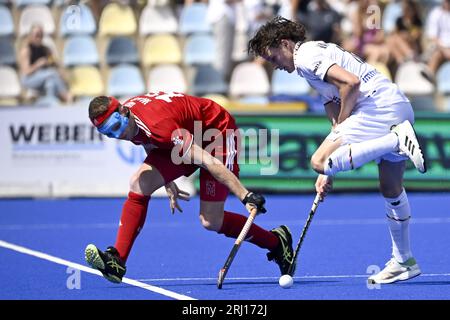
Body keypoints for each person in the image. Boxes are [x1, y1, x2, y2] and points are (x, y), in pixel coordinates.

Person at [248, 17, 427, 284]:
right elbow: (335, 114)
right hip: (396, 105)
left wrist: (328, 160)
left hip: (377, 106)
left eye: (273, 57)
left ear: (284, 43)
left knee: (317, 160)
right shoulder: (311, 61)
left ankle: (395, 141)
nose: (276, 66)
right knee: (390, 188)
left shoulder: (306, 56)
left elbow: (351, 84)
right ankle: (404, 261)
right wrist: (332, 168)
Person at [84, 92, 295, 283]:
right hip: (183, 134)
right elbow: (150, 142)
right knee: (140, 183)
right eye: (109, 134)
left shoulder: (159, 125)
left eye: (116, 128)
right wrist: (167, 181)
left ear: (123, 110)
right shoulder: (130, 122)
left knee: (211, 221)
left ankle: (277, 243)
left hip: (215, 132)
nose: (117, 135)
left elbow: (208, 161)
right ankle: (117, 260)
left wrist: (245, 195)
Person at [18, 24, 71, 104]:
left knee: (51, 83)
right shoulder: (26, 50)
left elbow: (56, 64)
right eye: (37, 35)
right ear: (31, 36)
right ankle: (66, 96)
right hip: (29, 79)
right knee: (52, 73)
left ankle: (50, 103)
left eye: (41, 35)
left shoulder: (45, 49)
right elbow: (26, 72)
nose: (39, 38)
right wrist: (38, 64)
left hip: (44, 78)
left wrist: (53, 63)